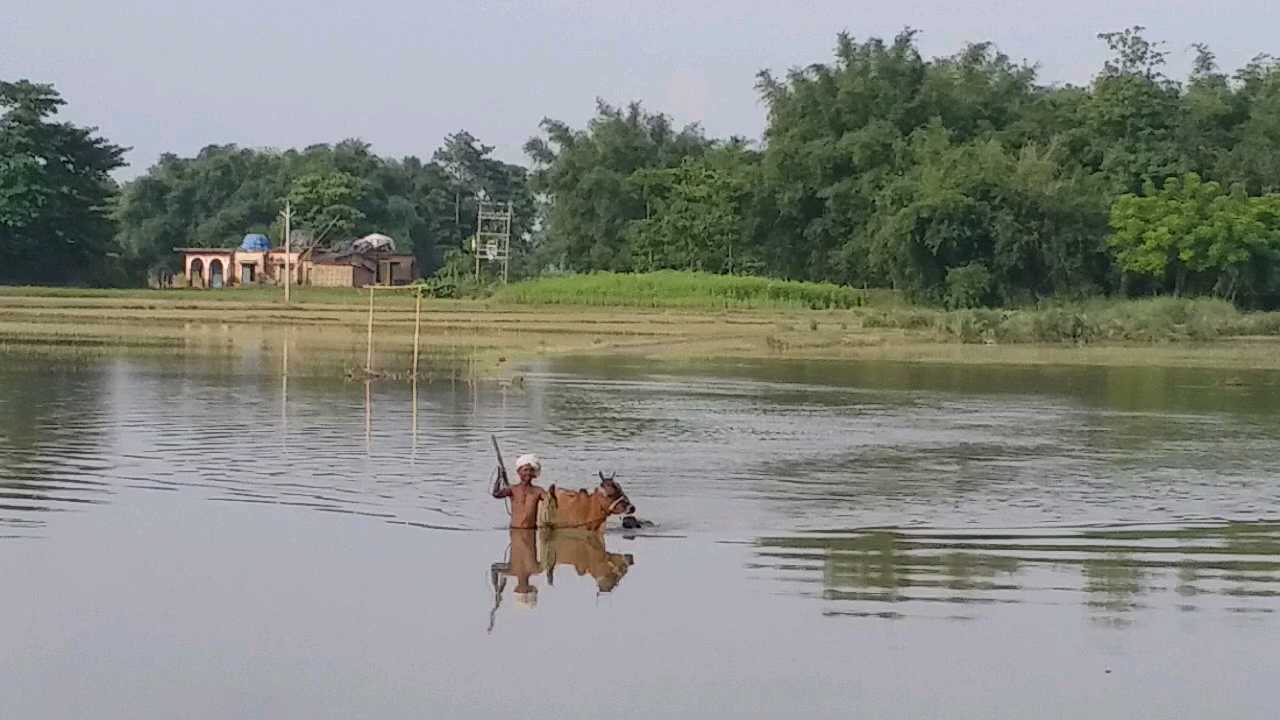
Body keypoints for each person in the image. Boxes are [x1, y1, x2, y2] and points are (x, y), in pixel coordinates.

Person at [492, 453, 549, 530]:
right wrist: (499, 477)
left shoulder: (538, 491)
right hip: (515, 529)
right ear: (519, 472)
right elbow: (496, 494)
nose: (528, 473)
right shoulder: (512, 489)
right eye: (525, 470)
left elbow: (549, 500)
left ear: (534, 473)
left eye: (531, 470)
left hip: (531, 529)